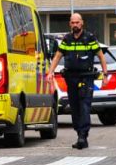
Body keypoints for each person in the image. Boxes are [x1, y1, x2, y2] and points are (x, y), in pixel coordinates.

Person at [45, 13, 108, 149]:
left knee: (84, 105)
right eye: (72, 23)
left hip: (86, 77)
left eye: (77, 22)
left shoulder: (89, 38)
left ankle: (83, 136)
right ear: (70, 24)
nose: (75, 25)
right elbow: (57, 56)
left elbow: (101, 56)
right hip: (71, 78)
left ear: (82, 23)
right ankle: (79, 133)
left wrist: (105, 75)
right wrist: (50, 72)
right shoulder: (67, 39)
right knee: (74, 107)